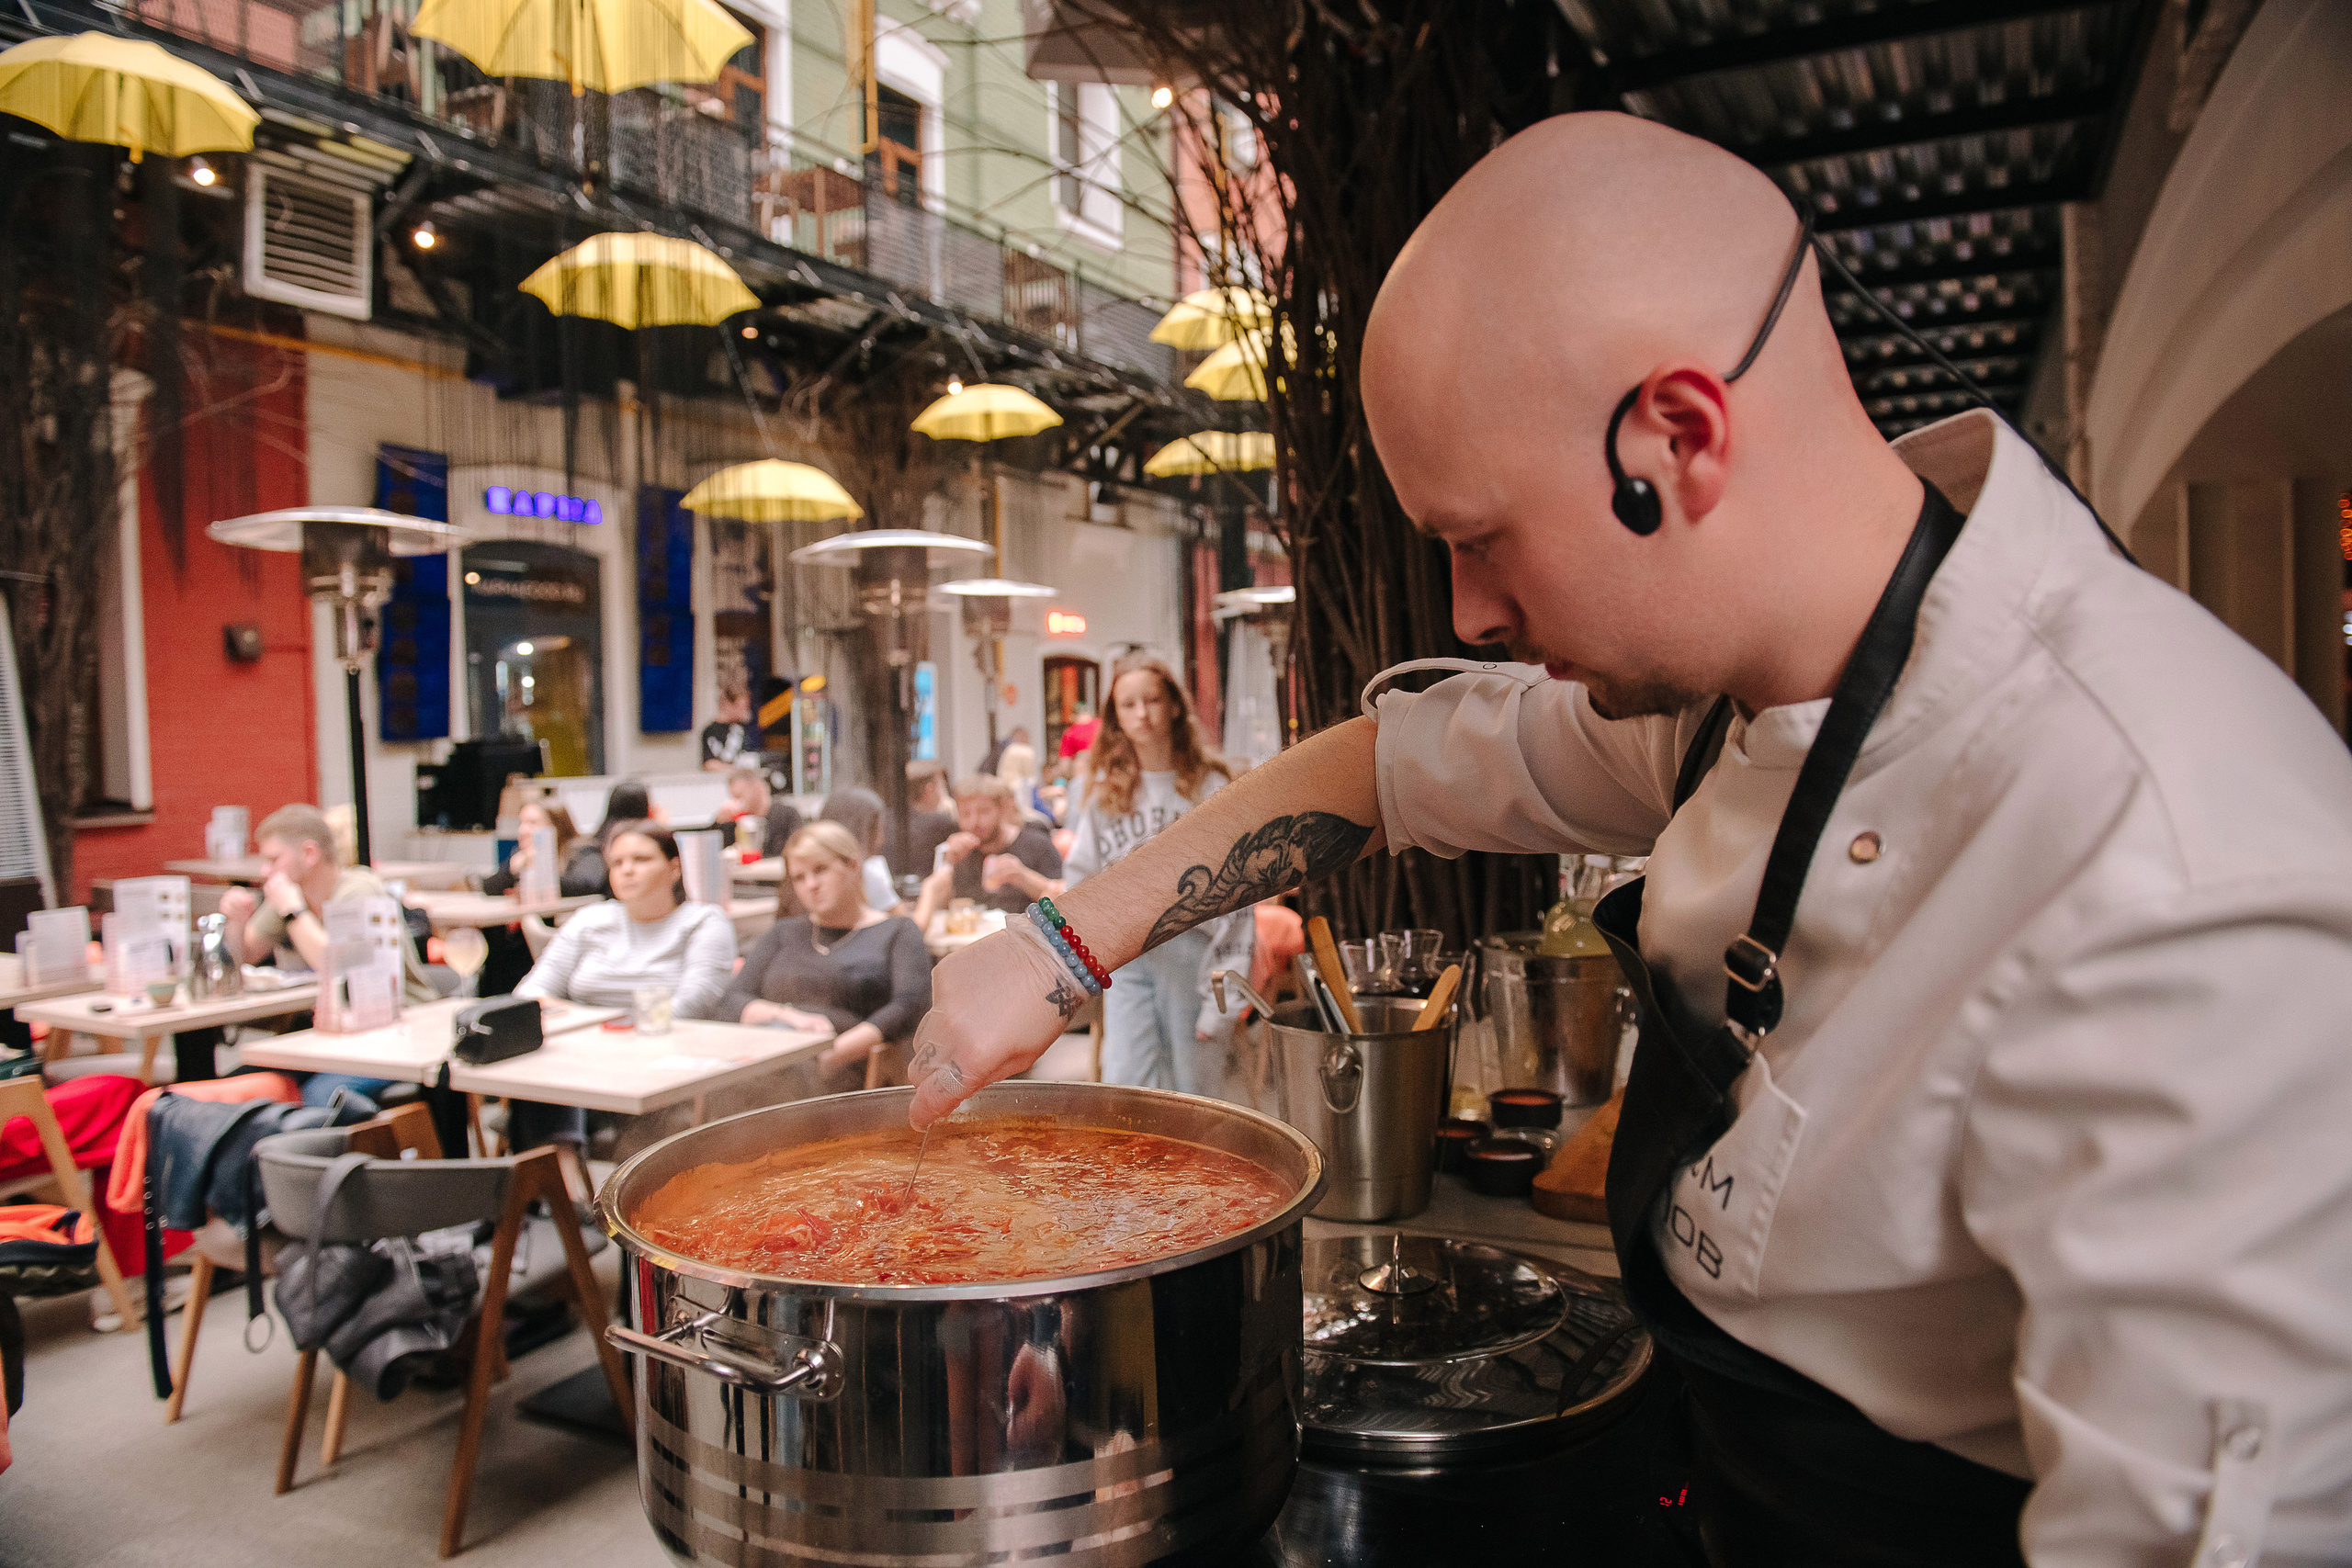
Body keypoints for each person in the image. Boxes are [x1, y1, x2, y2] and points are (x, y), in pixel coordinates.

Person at [899, 114, 2352, 1564]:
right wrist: (1057, 945)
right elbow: (1382, 765)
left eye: (1482, 537)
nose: (1468, 613)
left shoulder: (2168, 870)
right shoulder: (1740, 683)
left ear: (1680, 438)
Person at [1060, 656, 1250, 1097]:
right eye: (1128, 705)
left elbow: (1241, 894)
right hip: (1128, 958)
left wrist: (1223, 999)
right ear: (1115, 718)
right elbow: (1080, 883)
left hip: (1194, 953)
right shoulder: (1106, 795)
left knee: (1195, 1095)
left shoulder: (1211, 786)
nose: (1142, 714)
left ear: (1175, 706)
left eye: (1152, 700)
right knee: (1128, 1090)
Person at [511, 822, 735, 1156]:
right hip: (584, 1056)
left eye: (641, 859)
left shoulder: (703, 921)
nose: (627, 870)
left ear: (674, 868)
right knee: (537, 1064)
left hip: (664, 1058)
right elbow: (530, 994)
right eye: (617, 863)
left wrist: (598, 1027)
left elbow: (694, 1003)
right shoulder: (590, 920)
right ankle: (568, 1192)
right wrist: (590, 1032)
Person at [217, 804, 436, 1103]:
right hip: (332, 1036)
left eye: (273, 860)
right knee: (238, 1087)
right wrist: (236, 922)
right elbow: (247, 955)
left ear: (309, 853)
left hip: (397, 1033)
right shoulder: (291, 895)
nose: (264, 872)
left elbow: (336, 966)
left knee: (318, 1098)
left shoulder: (358, 889)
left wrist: (293, 911)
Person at [719, 822, 931, 1089]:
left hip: (849, 1064)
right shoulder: (784, 933)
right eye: (799, 877)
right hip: (776, 1054)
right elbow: (733, 999)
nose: (811, 885)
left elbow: (907, 1008)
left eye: (820, 870)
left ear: (853, 866)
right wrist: (791, 1017)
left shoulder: (896, 931)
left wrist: (833, 1054)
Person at [478, 799, 601, 997]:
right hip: (523, 939)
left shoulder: (583, 851)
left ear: (556, 826)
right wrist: (511, 869)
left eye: (533, 823)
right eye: (521, 823)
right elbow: (489, 888)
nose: (523, 830)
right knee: (495, 943)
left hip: (563, 938)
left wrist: (542, 865)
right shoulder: (521, 855)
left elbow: (587, 886)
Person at [911, 773, 1064, 924]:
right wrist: (948, 865)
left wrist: (1024, 877)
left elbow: (1064, 902)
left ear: (1002, 809)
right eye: (965, 814)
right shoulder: (959, 853)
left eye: (983, 812)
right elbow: (939, 910)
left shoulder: (1037, 844)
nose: (974, 822)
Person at [819, 787, 897, 911]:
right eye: (878, 829)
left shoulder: (813, 877)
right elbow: (910, 927)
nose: (881, 840)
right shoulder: (864, 876)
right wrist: (931, 891)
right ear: (863, 832)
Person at [884, 759, 957, 879]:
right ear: (930, 789)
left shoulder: (885, 819)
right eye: (942, 785)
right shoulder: (941, 823)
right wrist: (954, 811)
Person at [719, 765, 802, 862]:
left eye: (739, 796)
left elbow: (796, 851)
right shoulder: (737, 822)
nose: (737, 803)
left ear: (758, 788)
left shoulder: (787, 815)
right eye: (733, 798)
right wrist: (720, 824)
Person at [699, 682, 759, 772]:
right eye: (741, 707)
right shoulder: (711, 730)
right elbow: (709, 763)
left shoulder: (741, 727)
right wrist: (735, 770)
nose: (745, 711)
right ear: (728, 704)